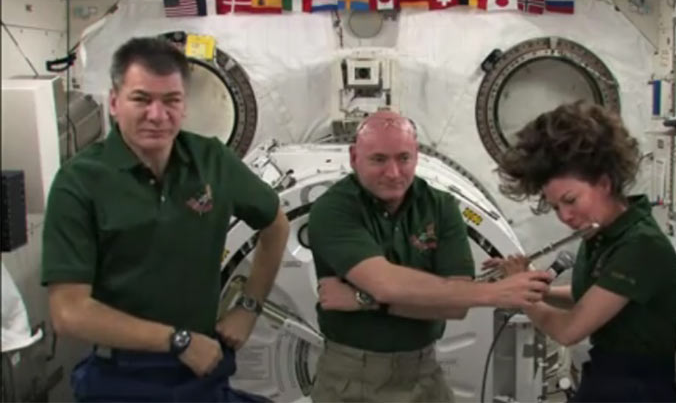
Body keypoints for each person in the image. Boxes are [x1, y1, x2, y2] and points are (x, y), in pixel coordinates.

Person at [41, 37, 290, 402]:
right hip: (122, 377)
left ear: (185, 105)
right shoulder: (79, 182)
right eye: (141, 99)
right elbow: (69, 312)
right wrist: (177, 340)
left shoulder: (211, 160)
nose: (157, 115)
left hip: (201, 370)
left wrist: (248, 307)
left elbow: (276, 224)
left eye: (171, 100)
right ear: (114, 102)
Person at [307, 110, 553, 403]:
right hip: (352, 379)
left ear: (417, 156)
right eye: (378, 159)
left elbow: (455, 307)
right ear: (353, 157)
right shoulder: (332, 210)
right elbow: (386, 284)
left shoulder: (441, 205)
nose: (394, 172)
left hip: (425, 375)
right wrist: (495, 292)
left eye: (403, 158)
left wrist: (363, 300)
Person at [487, 101, 676, 402]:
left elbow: (569, 330)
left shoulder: (641, 246)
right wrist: (528, 282)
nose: (564, 216)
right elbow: (590, 296)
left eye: (570, 200)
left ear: (604, 183)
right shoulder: (603, 234)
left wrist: (522, 298)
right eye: (555, 207)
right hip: (607, 377)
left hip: (638, 390)